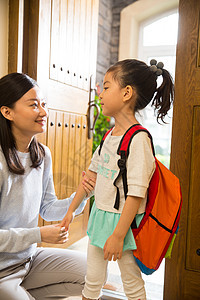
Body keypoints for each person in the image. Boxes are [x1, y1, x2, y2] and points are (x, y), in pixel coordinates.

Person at [61, 59, 174, 300]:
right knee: (92, 280)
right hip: (99, 218)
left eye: (106, 86)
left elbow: (136, 194)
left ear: (126, 93)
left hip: (125, 225)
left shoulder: (139, 140)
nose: (100, 93)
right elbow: (90, 179)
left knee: (131, 282)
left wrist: (119, 236)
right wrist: (71, 211)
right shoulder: (109, 136)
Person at [0, 72, 95, 300]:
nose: (43, 112)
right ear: (7, 112)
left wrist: (82, 195)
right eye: (34, 105)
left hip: (29, 260)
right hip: (1, 270)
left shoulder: (42, 154)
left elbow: (48, 207)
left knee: (92, 274)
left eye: (44, 104)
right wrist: (38, 234)